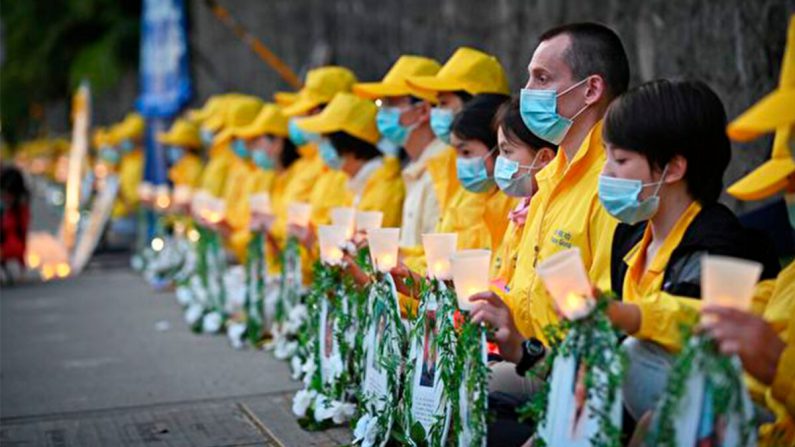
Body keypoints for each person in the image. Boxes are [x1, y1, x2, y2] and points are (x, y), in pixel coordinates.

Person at [598, 79, 780, 420]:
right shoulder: (630, 238)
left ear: (674, 168)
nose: (605, 172)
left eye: (620, 159)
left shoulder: (716, 249)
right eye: (605, 155)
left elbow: (702, 354)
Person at [470, 22, 630, 400]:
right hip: (527, 356)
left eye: (542, 78)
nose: (527, 92)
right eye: (528, 78)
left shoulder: (609, 183)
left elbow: (605, 318)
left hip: (568, 378)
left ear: (591, 89)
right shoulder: (551, 175)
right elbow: (528, 293)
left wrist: (526, 349)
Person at [699, 15, 795, 446]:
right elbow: (732, 313)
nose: (786, 197)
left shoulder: (716, 236)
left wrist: (779, 364)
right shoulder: (788, 278)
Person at [353, 55, 447, 248]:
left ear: (422, 111)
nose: (381, 114)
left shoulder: (442, 173)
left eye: (390, 104)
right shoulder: (416, 169)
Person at [296, 92, 405, 228]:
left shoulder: (385, 188)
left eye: (325, 138)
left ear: (346, 142)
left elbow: (366, 245)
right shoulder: (355, 184)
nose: (321, 146)